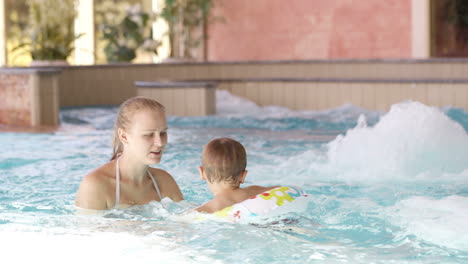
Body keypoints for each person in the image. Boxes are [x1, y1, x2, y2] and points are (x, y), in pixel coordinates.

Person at [75, 96, 183, 210]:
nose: (160, 143)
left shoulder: (164, 181)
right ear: (124, 136)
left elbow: (188, 220)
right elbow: (87, 227)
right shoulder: (96, 186)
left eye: (163, 133)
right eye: (148, 135)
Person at [195, 137, 278, 213]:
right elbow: (280, 189)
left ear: (202, 172)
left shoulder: (209, 208)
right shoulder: (256, 191)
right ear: (243, 176)